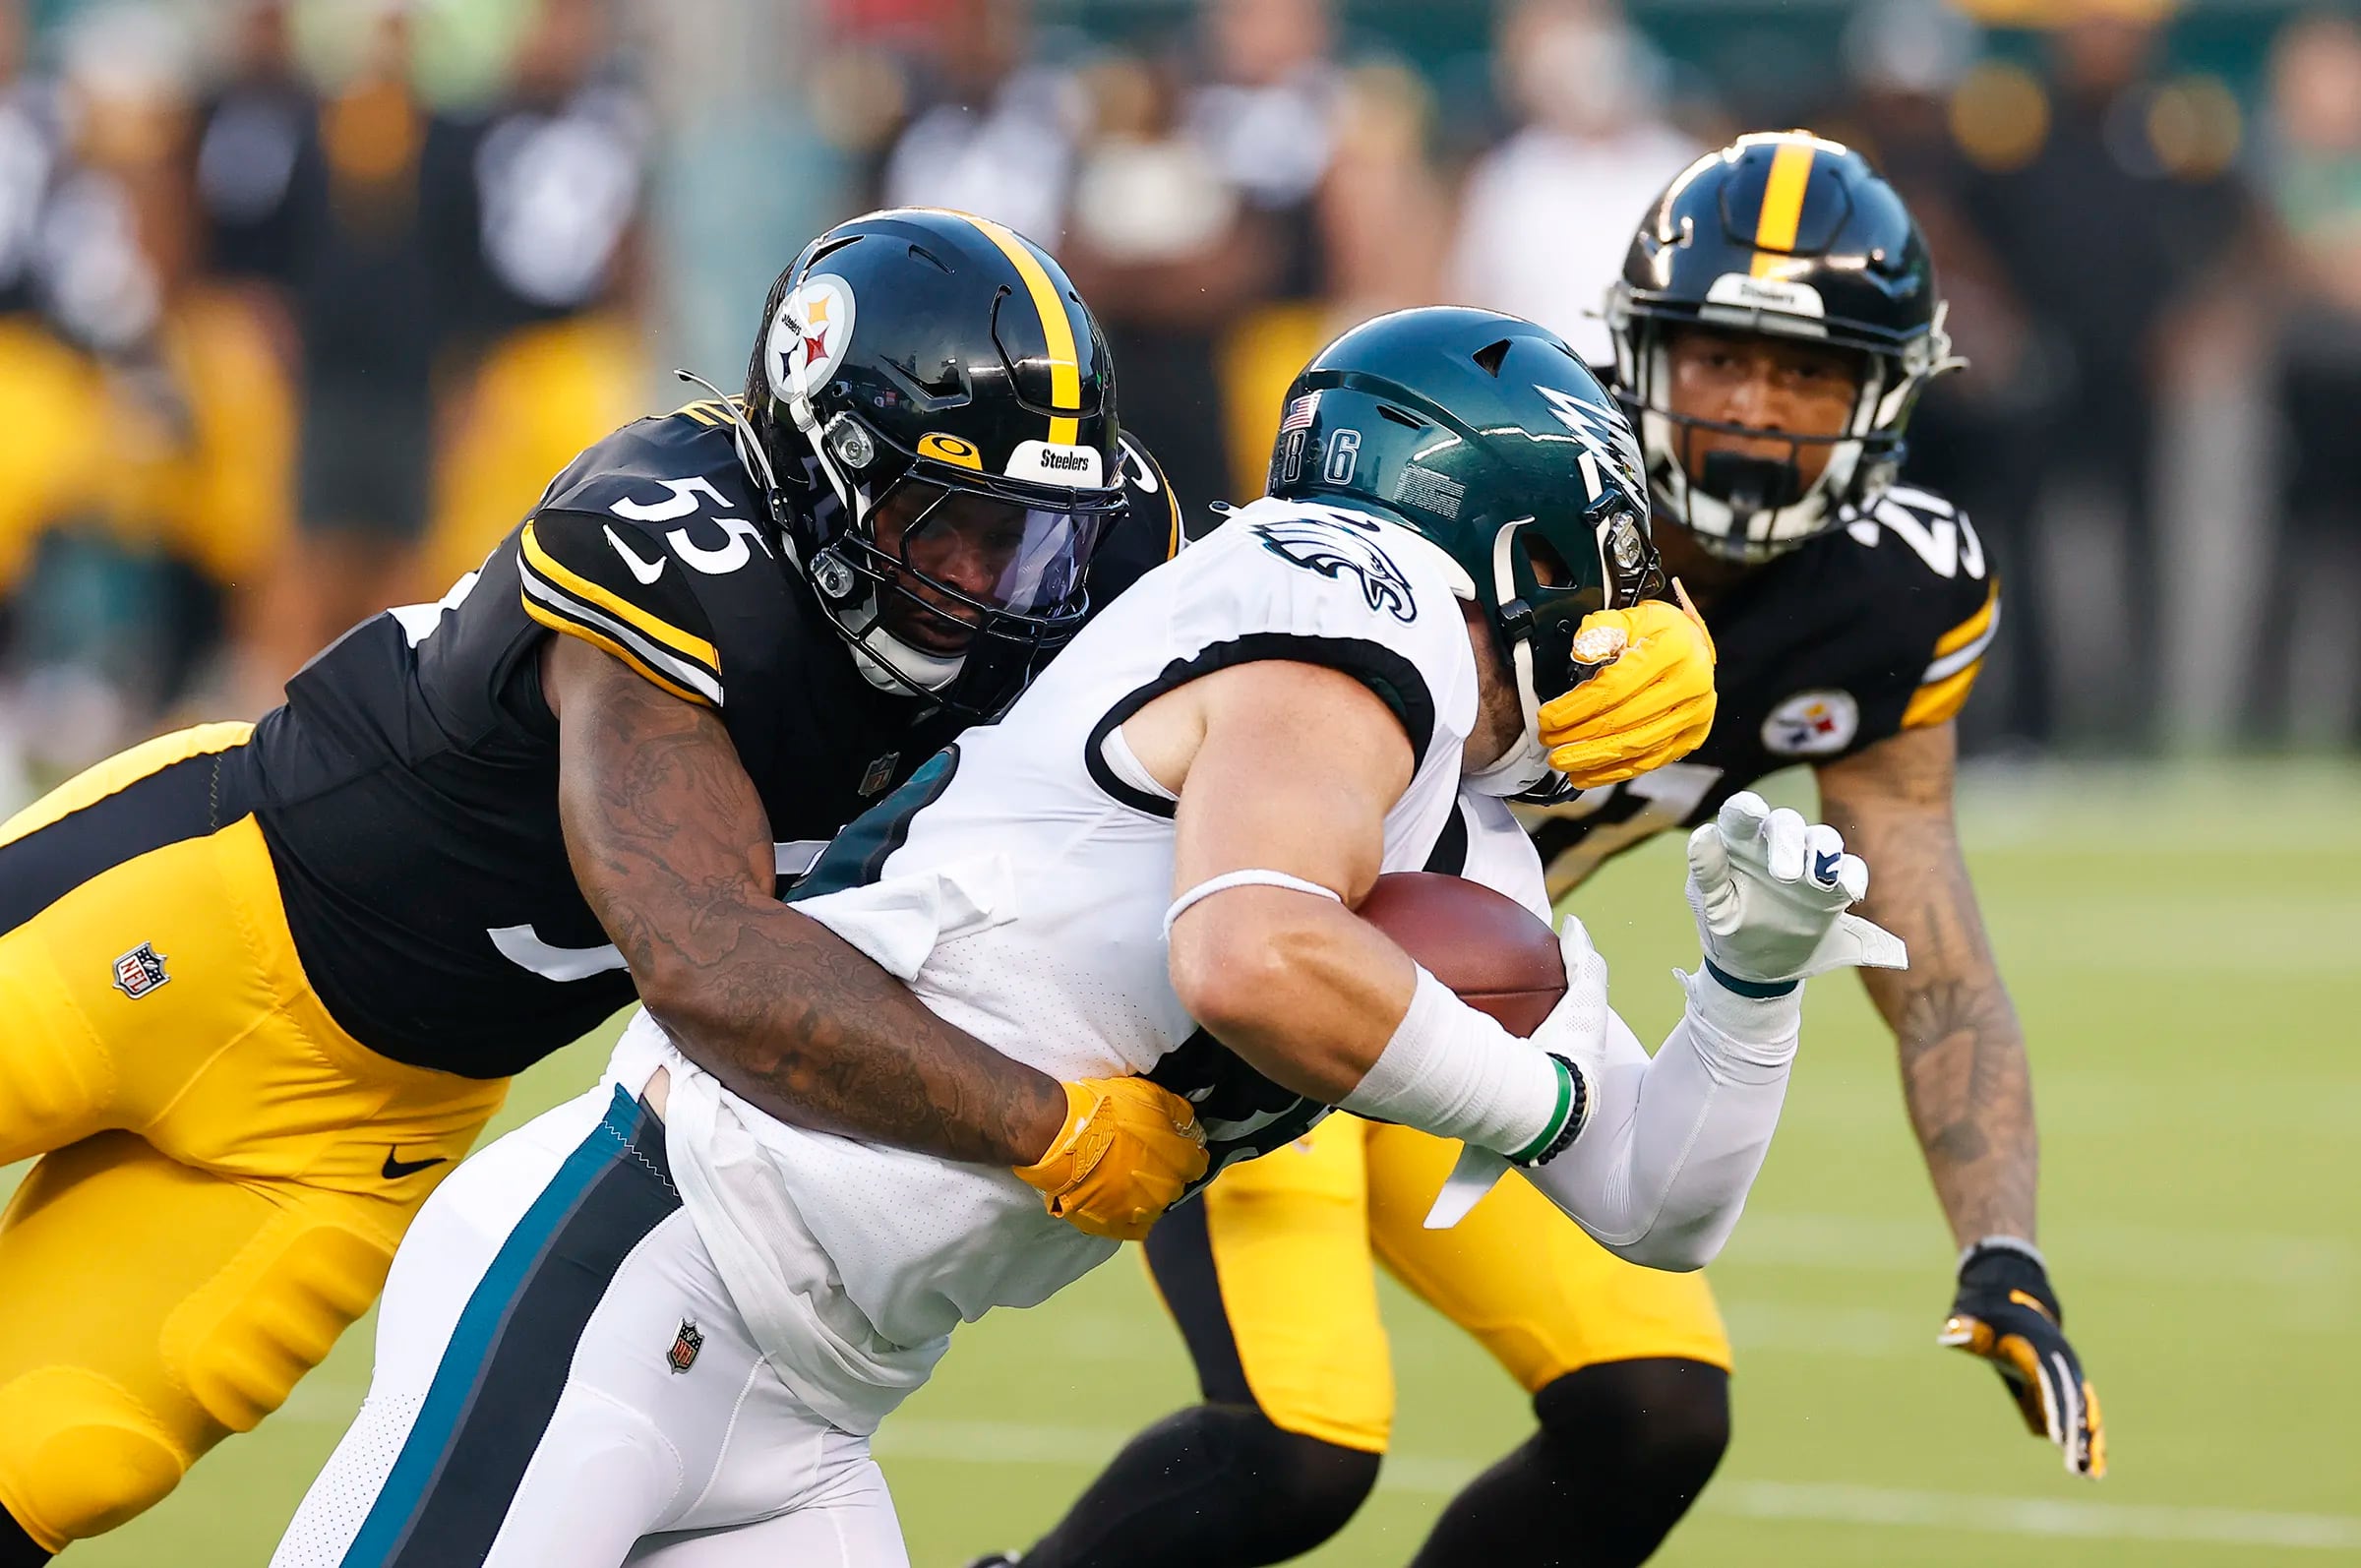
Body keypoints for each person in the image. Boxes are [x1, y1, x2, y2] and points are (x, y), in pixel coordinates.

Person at [270, 303, 1894, 1568]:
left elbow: (1655, 1203)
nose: (1629, 613)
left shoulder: (1464, 847)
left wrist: (1750, 978)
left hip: (818, 1390)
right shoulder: (1356, 601)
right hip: (642, 1247)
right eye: (1605, 562)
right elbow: (1248, 955)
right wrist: (1526, 1099)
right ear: (1515, 545)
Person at [0, 208, 1209, 1563]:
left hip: (362, 1134)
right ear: (823, 468)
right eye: (946, 526)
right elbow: (707, 961)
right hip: (187, 917)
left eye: (1030, 533)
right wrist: (1044, 1125)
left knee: (42, 1460)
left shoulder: (1100, 563)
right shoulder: (673, 543)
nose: (995, 583)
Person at [992, 132, 2104, 1568]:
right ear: (1641, 354)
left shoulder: (1892, 590)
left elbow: (1932, 949)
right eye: (1720, 360)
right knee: (1298, 1444)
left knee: (1654, 1411)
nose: (1759, 412)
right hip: (1275, 968)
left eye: (1807, 373)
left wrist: (1999, 1242)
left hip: (1485, 994)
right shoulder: (1493, 480)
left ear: (1885, 396)